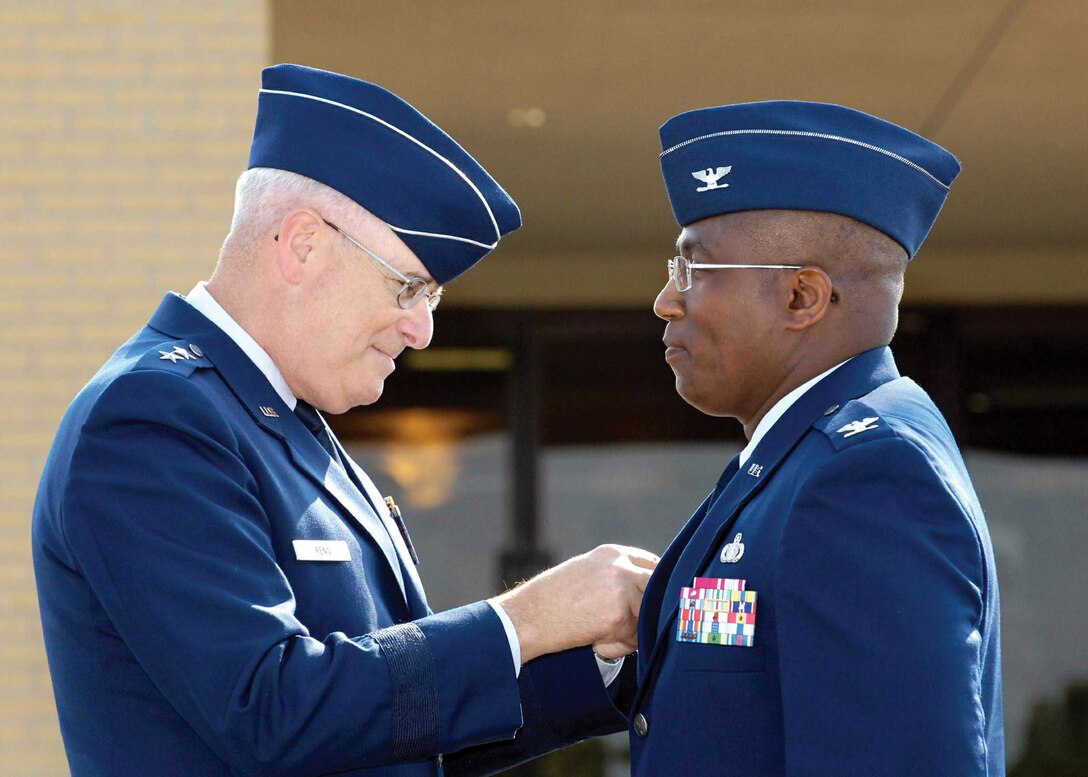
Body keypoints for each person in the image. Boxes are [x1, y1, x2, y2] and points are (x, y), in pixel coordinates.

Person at [32, 64, 653, 776]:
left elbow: (402, 727)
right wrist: (527, 619)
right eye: (408, 287)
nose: (420, 329)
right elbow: (271, 711)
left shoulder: (286, 422)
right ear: (303, 245)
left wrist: (594, 650)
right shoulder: (151, 417)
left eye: (432, 298)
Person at [628, 101, 1004, 775]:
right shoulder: (802, 457)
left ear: (803, 297)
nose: (666, 298)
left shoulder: (865, 479)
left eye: (694, 268)